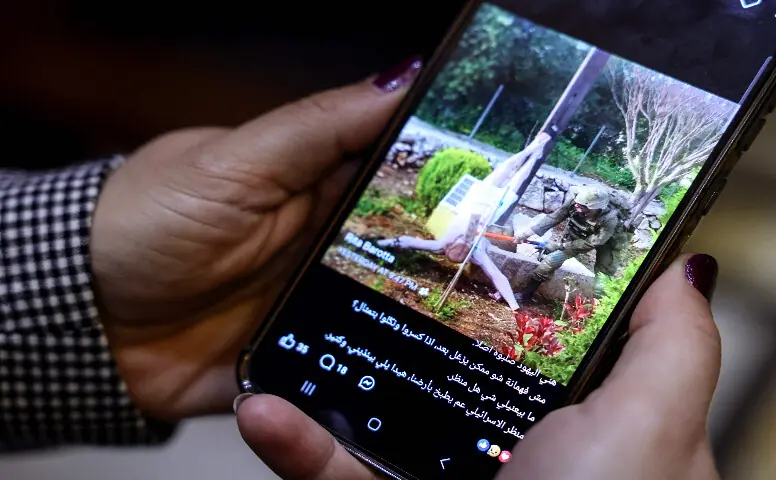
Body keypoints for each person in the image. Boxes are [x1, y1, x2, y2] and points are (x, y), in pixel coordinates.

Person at [0, 57, 722, 480]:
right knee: (507, 187)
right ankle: (534, 152)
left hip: (479, 222)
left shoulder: (490, 230)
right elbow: (459, 245)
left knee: (514, 183)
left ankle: (535, 150)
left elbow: (490, 244)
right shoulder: (450, 241)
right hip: (472, 224)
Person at [376, 132, 553, 311]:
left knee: (506, 168)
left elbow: (411, 242)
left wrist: (385, 242)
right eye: (464, 244)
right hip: (491, 207)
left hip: (476, 201)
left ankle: (530, 149)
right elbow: (498, 276)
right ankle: (535, 155)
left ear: (449, 246)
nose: (463, 241)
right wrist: (514, 306)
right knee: (518, 180)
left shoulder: (444, 244)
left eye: (461, 242)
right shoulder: (476, 254)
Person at [513, 185, 629, 303]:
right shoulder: (575, 203)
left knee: (603, 273)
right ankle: (526, 295)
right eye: (577, 202)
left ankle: (599, 307)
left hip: (608, 241)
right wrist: (526, 233)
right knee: (550, 261)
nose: (577, 205)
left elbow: (595, 242)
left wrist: (561, 246)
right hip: (581, 233)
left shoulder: (610, 219)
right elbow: (554, 217)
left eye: (582, 205)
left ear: (594, 208)